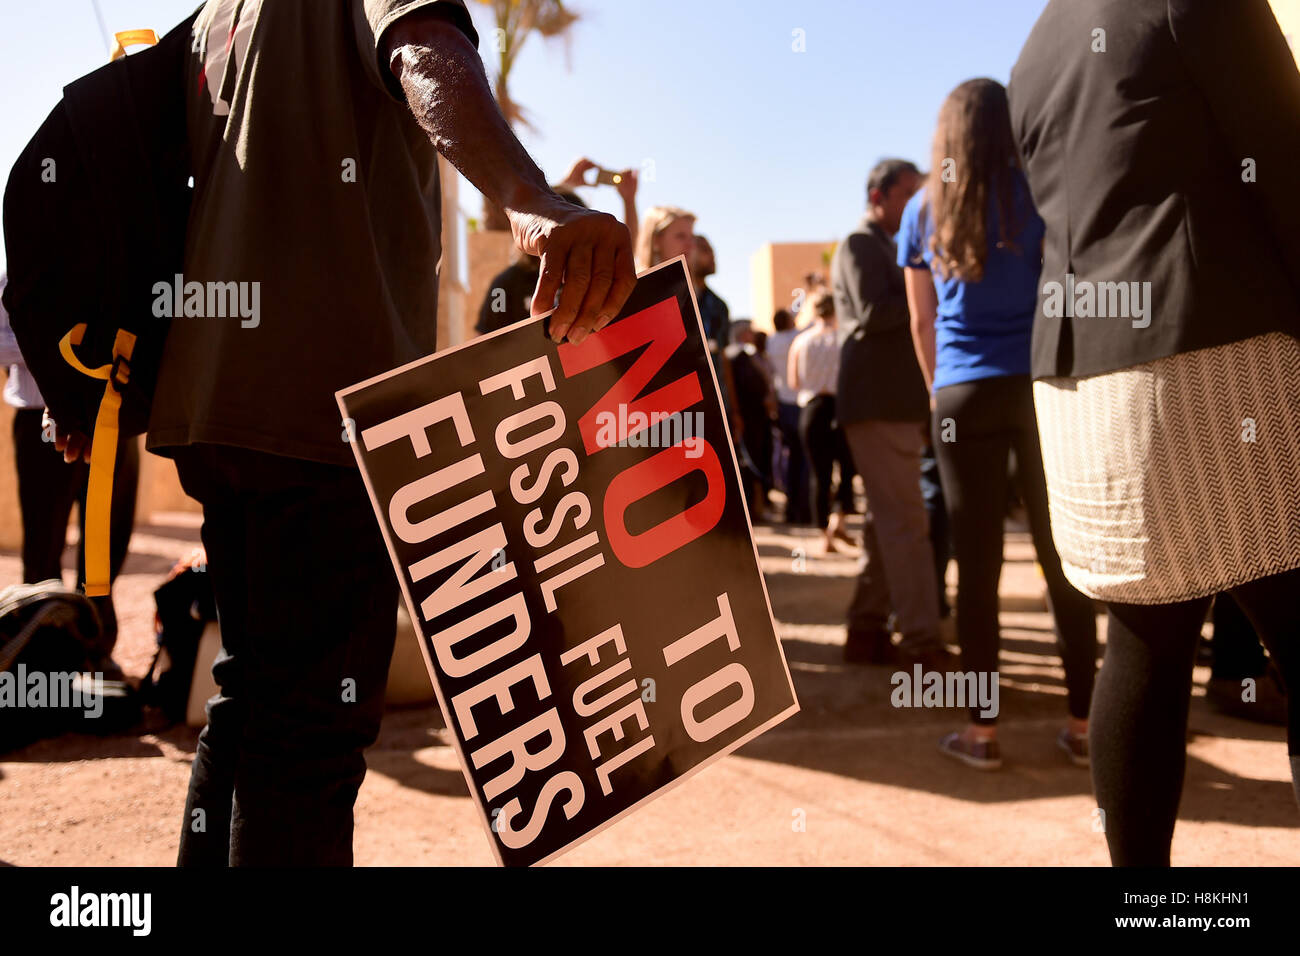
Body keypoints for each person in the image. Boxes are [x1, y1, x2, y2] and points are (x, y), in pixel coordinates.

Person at [134, 0, 635, 867]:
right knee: (309, 739)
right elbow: (424, 44)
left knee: (251, 701)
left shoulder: (221, 13)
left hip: (213, 401)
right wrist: (525, 193)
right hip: (323, 404)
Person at [1010, 0, 1300, 864]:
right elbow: (1282, 158)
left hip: (1080, 376)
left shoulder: (1036, 47)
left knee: (1142, 644)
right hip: (1211, 353)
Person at [901, 78, 1098, 772]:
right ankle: (1084, 725)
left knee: (977, 570)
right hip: (1039, 385)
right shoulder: (1041, 193)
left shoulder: (923, 208)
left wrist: (939, 394)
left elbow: (922, 322)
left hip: (961, 392)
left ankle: (981, 735)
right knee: (1063, 557)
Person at [832, 159, 953, 671]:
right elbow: (872, 315)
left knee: (889, 523)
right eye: (908, 193)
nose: (918, 202)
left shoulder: (887, 243)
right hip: (877, 405)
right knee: (907, 523)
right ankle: (922, 642)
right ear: (879, 196)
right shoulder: (861, 242)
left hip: (894, 406)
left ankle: (866, 631)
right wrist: (925, 285)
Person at [1, 273, 137, 652]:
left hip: (114, 420)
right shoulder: (13, 278)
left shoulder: (113, 263)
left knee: (108, 540)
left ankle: (96, 648)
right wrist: (61, 354)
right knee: (43, 549)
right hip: (40, 424)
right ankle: (43, 654)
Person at [475, 157, 639, 335]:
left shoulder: (595, 276)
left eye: (578, 233)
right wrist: (565, 187)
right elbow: (487, 347)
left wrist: (628, 201)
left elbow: (623, 253)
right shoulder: (508, 283)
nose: (567, 237)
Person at [787, 290, 856, 555]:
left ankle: (824, 533)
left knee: (820, 474)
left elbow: (794, 382)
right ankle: (838, 520)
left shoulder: (801, 342)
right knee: (848, 469)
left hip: (812, 410)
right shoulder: (844, 339)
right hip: (840, 409)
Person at [766, 308, 810, 524]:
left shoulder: (771, 342)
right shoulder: (797, 337)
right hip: (799, 402)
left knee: (792, 457)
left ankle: (792, 508)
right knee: (805, 457)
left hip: (783, 403)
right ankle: (804, 508)